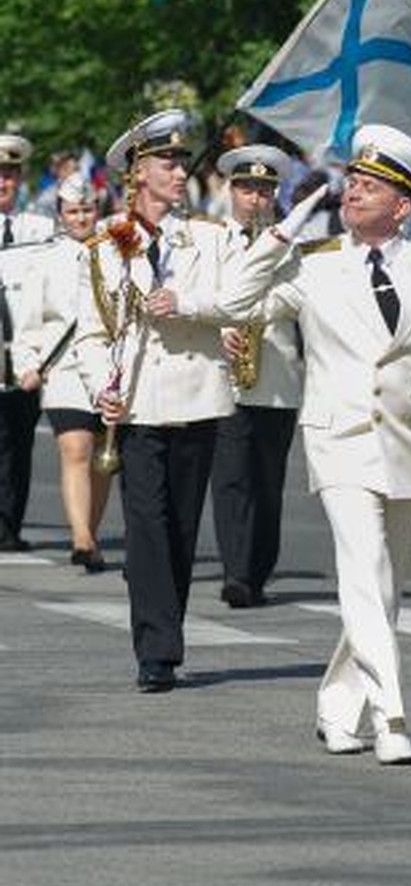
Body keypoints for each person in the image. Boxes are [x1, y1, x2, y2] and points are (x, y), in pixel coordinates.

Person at [191, 123, 411, 765]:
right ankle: (392, 716)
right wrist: (285, 231)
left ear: (403, 206)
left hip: (409, 444)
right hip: (340, 440)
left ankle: (336, 705)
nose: (353, 193)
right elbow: (238, 302)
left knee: (385, 586)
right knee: (362, 569)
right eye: (353, 183)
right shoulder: (316, 267)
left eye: (371, 187)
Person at [76, 109, 237, 693]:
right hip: (139, 405)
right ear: (137, 172)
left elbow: (236, 303)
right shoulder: (105, 247)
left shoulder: (209, 240)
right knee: (146, 525)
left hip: (196, 396)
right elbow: (93, 334)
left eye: (179, 160)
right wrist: (103, 390)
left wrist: (186, 302)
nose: (178, 170)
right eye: (166, 161)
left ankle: (160, 622)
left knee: (179, 531)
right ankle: (158, 650)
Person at [208, 143, 301, 609]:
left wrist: (246, 311)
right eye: (247, 189)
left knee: (267, 480)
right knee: (229, 479)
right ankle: (236, 572)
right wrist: (221, 325)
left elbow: (294, 295)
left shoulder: (289, 246)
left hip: (277, 377)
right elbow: (201, 295)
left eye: (264, 191)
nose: (255, 199)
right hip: (223, 376)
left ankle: (258, 568)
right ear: (231, 191)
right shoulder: (208, 241)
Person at [12, 172, 112, 570]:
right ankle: (82, 539)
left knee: (105, 458)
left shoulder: (115, 250)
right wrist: (26, 364)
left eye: (87, 209)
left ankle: (91, 528)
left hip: (107, 365)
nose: (81, 217)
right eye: (72, 211)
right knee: (76, 449)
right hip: (64, 366)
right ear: (60, 214)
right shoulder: (46, 257)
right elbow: (28, 321)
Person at [0, 133, 55, 551]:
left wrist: (41, 358)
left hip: (22, 357)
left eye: (9, 175)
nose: (2, 183)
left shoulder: (39, 229)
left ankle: (8, 526)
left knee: (18, 446)